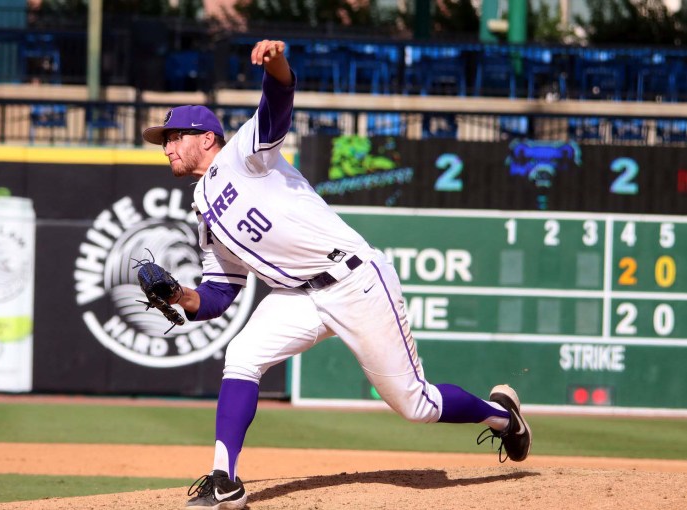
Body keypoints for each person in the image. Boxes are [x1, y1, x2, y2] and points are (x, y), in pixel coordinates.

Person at [141, 39, 533, 510]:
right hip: (298, 298)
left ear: (206, 137)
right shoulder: (203, 209)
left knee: (416, 405)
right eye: (164, 140)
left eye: (172, 136)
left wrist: (277, 64)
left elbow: (279, 99)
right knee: (242, 354)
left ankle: (503, 417)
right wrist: (178, 294)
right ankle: (225, 480)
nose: (166, 147)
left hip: (354, 279)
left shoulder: (244, 153)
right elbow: (221, 293)